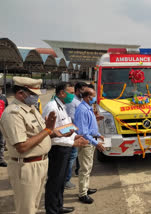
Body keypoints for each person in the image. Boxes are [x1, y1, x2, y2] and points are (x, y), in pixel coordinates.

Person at [0, 77, 56, 214]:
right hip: (26, 166)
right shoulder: (13, 114)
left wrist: (54, 133)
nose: (36, 98)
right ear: (20, 93)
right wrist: (47, 130)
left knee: (34, 205)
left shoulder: (31, 109)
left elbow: (38, 135)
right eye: (33, 94)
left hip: (40, 163)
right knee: (27, 209)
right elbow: (22, 146)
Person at [42, 83, 89, 214]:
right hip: (57, 149)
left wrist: (75, 136)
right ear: (62, 93)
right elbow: (49, 132)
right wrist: (72, 142)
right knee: (54, 180)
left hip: (65, 147)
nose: (72, 96)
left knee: (61, 180)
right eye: (70, 93)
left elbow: (66, 126)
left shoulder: (62, 106)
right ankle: (51, 210)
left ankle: (58, 206)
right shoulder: (51, 107)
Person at [75, 87, 105, 204]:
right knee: (85, 168)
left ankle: (86, 188)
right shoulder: (82, 110)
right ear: (88, 97)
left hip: (91, 140)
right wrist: (96, 143)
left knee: (88, 167)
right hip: (86, 142)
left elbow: (90, 126)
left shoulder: (88, 108)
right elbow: (83, 132)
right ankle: (82, 194)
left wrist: (98, 135)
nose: (95, 98)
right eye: (94, 95)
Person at [65, 82, 88, 189]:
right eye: (83, 90)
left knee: (77, 156)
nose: (85, 92)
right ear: (78, 90)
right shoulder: (72, 102)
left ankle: (77, 171)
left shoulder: (80, 100)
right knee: (71, 157)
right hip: (73, 133)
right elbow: (71, 119)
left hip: (79, 132)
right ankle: (66, 180)